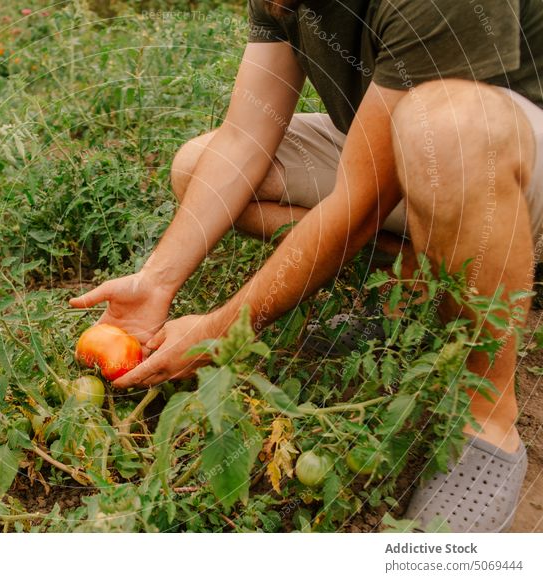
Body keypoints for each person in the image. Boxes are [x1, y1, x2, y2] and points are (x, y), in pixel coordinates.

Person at [70, 0, 542, 532]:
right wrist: (155, 280)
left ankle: (488, 416)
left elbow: (361, 202)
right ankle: (410, 279)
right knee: (199, 166)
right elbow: (246, 136)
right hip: (402, 135)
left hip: (502, 153)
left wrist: (221, 331)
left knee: (448, 130)